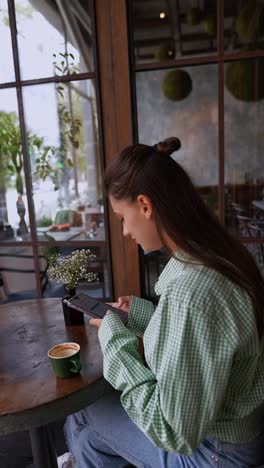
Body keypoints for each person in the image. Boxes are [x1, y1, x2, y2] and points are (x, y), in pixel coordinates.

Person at [64, 137, 264, 467]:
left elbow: (173, 431)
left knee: (84, 415)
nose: (126, 231)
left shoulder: (191, 291)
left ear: (144, 205)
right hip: (244, 434)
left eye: (122, 217)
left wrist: (115, 341)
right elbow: (211, 335)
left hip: (217, 453)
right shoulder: (220, 254)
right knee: (88, 437)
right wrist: (139, 315)